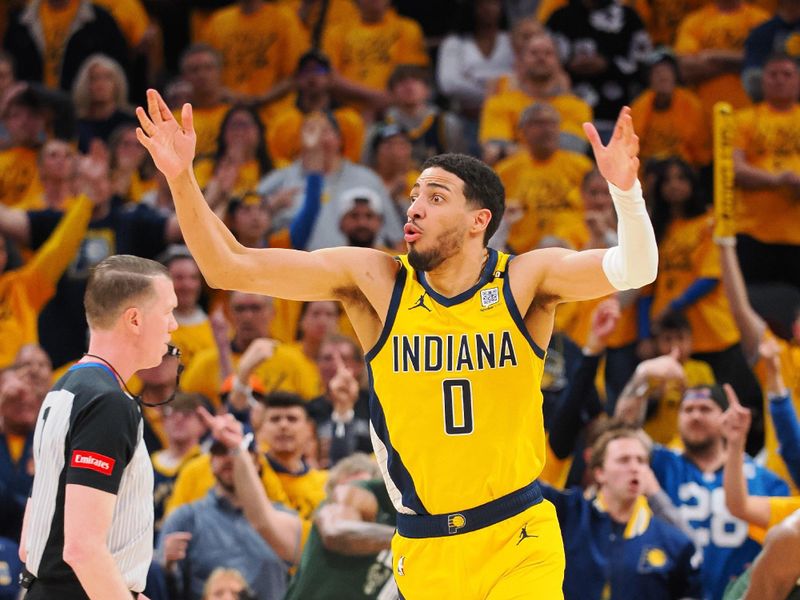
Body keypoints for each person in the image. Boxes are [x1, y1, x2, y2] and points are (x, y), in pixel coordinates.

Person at [137, 87, 658, 599]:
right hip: (422, 544)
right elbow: (228, 267)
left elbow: (636, 268)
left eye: (435, 198)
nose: (415, 208)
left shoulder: (524, 280)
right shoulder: (377, 282)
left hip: (516, 535)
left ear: (480, 222)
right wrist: (181, 177)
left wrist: (625, 192)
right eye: (413, 196)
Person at [20, 254, 179, 599]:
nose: (174, 326)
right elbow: (82, 549)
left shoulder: (63, 389)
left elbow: (29, 542)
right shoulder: (108, 403)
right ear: (135, 319)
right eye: (168, 312)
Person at [542, 427, 702, 600]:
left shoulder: (674, 542)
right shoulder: (567, 513)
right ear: (600, 473)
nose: (634, 468)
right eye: (623, 460)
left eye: (641, 461)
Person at [157, 436, 290, 600]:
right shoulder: (185, 519)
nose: (229, 457)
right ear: (211, 463)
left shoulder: (284, 520)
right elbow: (162, 588)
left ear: (256, 463)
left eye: (239, 450)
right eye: (221, 451)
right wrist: (167, 566)